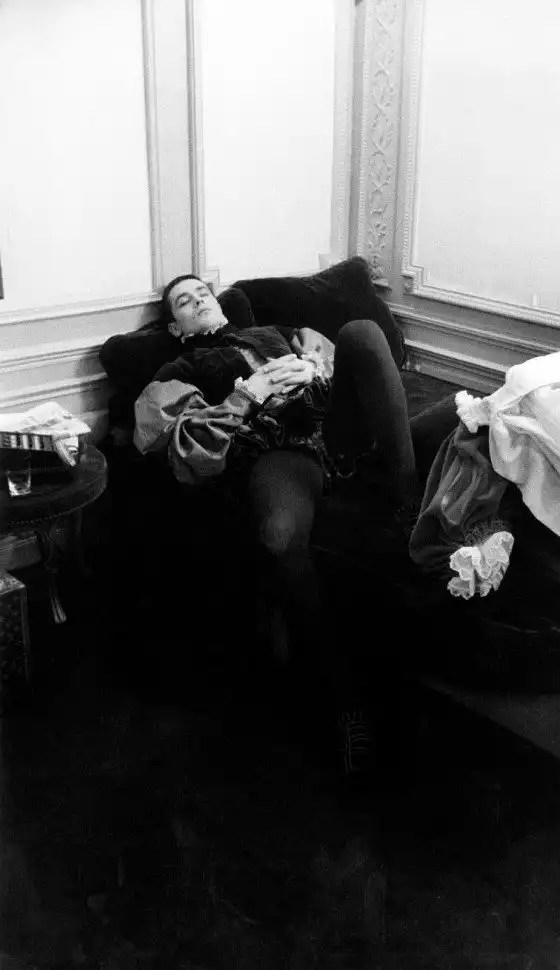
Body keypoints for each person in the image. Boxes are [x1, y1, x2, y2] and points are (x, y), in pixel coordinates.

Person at [134, 274, 424, 776]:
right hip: (282, 446)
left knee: (360, 332)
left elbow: (340, 358)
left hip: (335, 423)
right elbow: (173, 438)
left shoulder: (274, 332)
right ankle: (346, 706)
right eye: (184, 301)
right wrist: (252, 392)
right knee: (278, 537)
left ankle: (409, 509)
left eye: (203, 293)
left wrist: (315, 367)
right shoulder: (181, 367)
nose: (199, 300)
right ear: (175, 327)